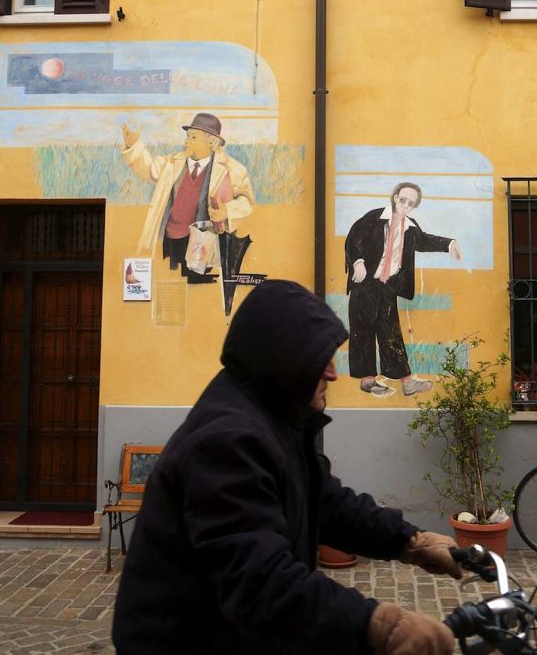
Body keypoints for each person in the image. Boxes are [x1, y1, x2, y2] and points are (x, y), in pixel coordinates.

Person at [112, 280, 460, 654]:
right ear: (283, 357)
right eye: (320, 358)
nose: (333, 374)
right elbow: (260, 580)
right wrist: (381, 626)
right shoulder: (229, 441)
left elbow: (326, 502)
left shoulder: (272, 418)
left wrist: (411, 541)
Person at [344, 182, 462, 397]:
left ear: (415, 205)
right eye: (403, 199)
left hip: (387, 286)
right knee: (363, 330)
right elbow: (354, 238)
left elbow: (424, 241)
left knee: (391, 333)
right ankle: (368, 380)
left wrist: (449, 243)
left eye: (411, 202)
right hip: (365, 283)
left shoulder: (410, 226)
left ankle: (406, 382)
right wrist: (358, 261)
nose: (406, 205)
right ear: (395, 196)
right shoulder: (375, 217)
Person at [120, 112, 254, 284]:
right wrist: (133, 144)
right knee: (173, 276)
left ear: (211, 141)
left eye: (193, 137)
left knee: (197, 281)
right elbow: (148, 168)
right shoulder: (172, 162)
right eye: (187, 136)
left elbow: (247, 201)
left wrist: (226, 212)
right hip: (171, 239)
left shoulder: (232, 169)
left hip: (203, 242)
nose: (186, 140)